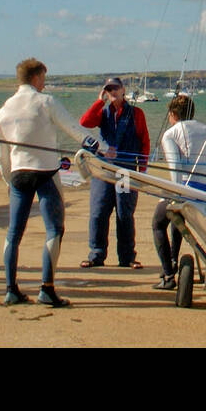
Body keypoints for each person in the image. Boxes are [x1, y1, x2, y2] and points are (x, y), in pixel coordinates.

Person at [0, 57, 103, 307]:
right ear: (36, 78)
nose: (44, 83)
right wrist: (97, 146)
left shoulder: (4, 110)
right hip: (45, 173)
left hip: (18, 175)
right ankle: (47, 289)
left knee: (14, 232)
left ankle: (11, 290)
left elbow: (1, 154)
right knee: (54, 229)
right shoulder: (46, 101)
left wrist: (8, 180)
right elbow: (73, 129)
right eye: (43, 78)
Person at [79, 77, 149, 269]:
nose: (113, 92)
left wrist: (141, 169)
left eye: (116, 88)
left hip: (126, 169)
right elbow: (85, 122)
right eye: (109, 90)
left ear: (123, 89)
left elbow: (144, 141)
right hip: (103, 169)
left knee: (124, 214)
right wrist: (99, 101)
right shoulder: (103, 113)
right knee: (98, 212)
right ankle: (96, 254)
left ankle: (127, 257)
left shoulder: (136, 113)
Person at [151, 95, 206, 290]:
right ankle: (172, 261)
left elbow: (175, 168)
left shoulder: (171, 134)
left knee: (157, 222)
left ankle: (169, 275)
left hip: (187, 191)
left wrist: (175, 197)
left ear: (172, 114)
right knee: (175, 217)